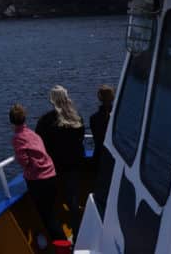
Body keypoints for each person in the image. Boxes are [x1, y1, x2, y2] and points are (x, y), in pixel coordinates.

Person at [10, 103, 63, 245]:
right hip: (51, 174)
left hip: (38, 180)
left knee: (46, 216)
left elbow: (24, 162)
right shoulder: (33, 134)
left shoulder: (17, 138)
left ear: (12, 121)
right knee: (52, 212)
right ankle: (62, 243)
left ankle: (62, 246)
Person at [36, 85, 85, 233]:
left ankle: (59, 237)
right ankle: (78, 233)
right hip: (73, 166)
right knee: (73, 201)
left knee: (53, 204)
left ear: (52, 100)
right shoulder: (77, 118)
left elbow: (40, 142)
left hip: (53, 167)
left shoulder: (46, 120)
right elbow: (80, 138)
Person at [89, 85, 115, 216]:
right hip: (114, 159)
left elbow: (97, 138)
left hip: (99, 157)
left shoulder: (94, 118)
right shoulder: (118, 117)